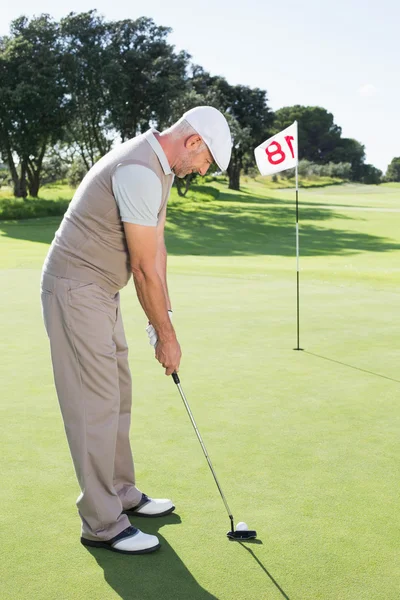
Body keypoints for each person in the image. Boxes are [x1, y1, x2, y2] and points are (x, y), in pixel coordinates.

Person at [40, 106, 232, 555]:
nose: (202, 172)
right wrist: (166, 338)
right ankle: (102, 523)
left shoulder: (158, 169)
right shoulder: (139, 170)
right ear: (193, 142)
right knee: (95, 402)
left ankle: (121, 491)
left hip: (100, 291)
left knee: (117, 393)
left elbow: (156, 250)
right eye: (206, 162)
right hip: (75, 287)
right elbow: (143, 267)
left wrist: (163, 318)